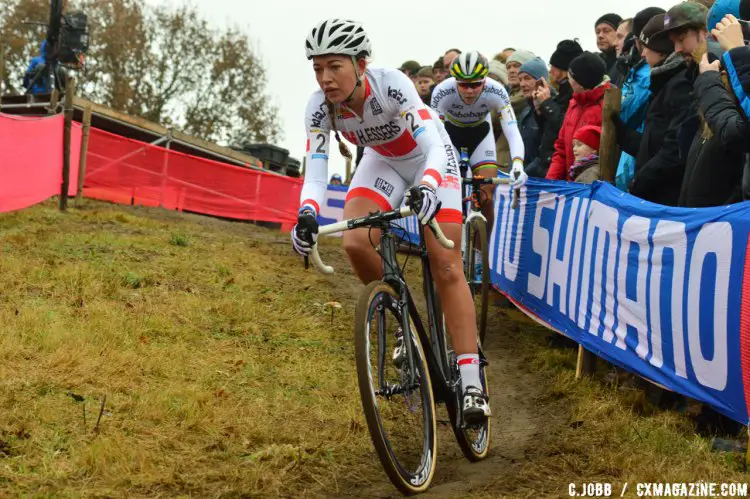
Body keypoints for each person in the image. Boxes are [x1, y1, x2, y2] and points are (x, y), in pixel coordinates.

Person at [293, 20, 524, 421]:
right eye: (317, 68)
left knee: (446, 263)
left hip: (433, 161)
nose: (325, 78)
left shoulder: (392, 84)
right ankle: (402, 319)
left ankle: (471, 382)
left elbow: (434, 145)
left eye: (334, 66)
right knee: (354, 241)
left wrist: (431, 186)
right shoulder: (319, 106)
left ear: (360, 64)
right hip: (381, 161)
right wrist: (307, 214)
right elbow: (315, 170)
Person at [431, 50, 527, 238]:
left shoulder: (496, 90)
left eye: (475, 84)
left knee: (486, 196)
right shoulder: (442, 91)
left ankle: (479, 255)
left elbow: (512, 131)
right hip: (450, 136)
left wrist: (518, 164)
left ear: (484, 80)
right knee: (450, 195)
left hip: (481, 135)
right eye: (464, 85)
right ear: (455, 80)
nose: (469, 90)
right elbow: (435, 135)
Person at [614, 14, 693, 205]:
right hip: (656, 194)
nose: (642, 54)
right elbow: (653, 145)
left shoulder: (679, 84)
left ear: (660, 49)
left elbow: (673, 150)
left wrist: (640, 181)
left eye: (646, 48)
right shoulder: (663, 83)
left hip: (665, 200)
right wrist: (621, 132)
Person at [614, 7, 666, 191]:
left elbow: (625, 114)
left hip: (638, 161)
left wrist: (612, 114)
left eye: (621, 37)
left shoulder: (645, 74)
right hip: (640, 155)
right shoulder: (638, 69)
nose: (615, 42)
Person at [546, 52, 610, 181]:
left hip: (589, 184)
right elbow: (561, 147)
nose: (568, 80)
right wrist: (550, 182)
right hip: (568, 184)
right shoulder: (574, 103)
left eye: (570, 77)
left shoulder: (605, 107)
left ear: (579, 83)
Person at [531, 39, 583, 177]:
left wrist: (547, 103)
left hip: (559, 164)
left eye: (553, 66)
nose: (550, 71)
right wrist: (539, 109)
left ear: (562, 70)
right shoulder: (562, 92)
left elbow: (565, 125)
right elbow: (547, 129)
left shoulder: (575, 94)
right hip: (547, 160)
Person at [516, 57, 547, 170]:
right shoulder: (525, 111)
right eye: (520, 79)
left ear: (541, 80)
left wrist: (527, 172)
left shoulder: (553, 108)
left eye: (527, 78)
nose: (522, 84)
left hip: (539, 179)